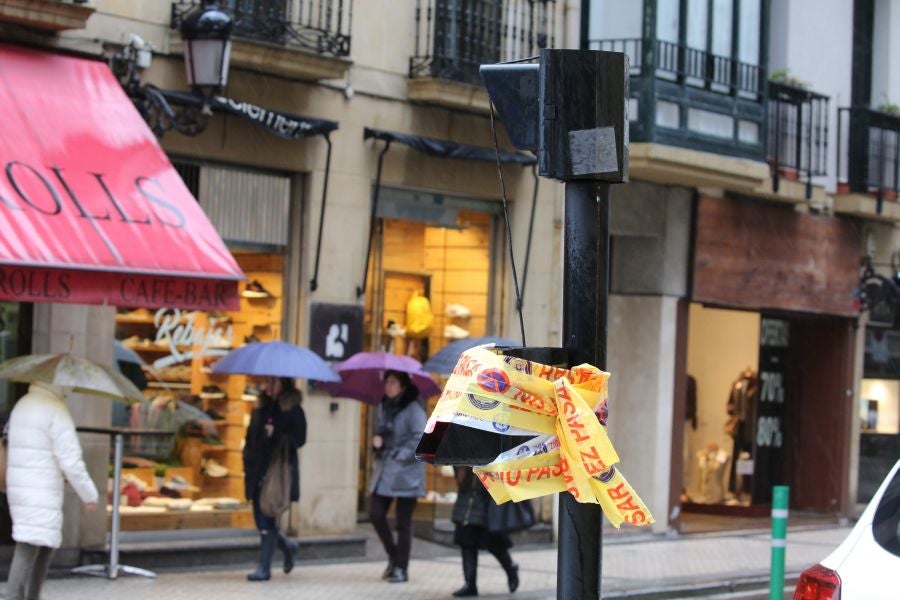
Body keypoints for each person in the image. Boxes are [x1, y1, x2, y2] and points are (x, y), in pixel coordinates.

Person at [5, 383, 98, 600]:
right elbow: (71, 460)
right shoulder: (55, 408)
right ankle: (12, 596)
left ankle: (30, 597)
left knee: (41, 544)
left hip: (20, 485)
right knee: (29, 545)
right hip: (41, 487)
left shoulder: (23, 404)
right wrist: (89, 493)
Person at [243, 377, 307, 582]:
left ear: (283, 385)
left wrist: (277, 434)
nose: (268, 386)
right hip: (256, 468)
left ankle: (264, 567)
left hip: (277, 470)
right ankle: (288, 546)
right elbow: (250, 437)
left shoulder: (293, 410)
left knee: (267, 517)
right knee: (259, 518)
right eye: (268, 382)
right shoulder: (261, 407)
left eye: (274, 383)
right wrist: (246, 457)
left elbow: (300, 439)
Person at [369, 370, 426, 584]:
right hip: (386, 469)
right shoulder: (384, 406)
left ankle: (402, 568)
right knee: (375, 513)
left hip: (406, 471)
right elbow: (384, 432)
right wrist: (378, 440)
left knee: (404, 522)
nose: (388, 386)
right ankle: (394, 556)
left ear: (402, 385)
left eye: (393, 382)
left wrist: (397, 454)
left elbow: (420, 438)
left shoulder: (414, 408)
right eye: (387, 382)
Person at [450, 466, 520, 597]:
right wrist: (460, 469)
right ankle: (470, 584)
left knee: (494, 542)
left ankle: (510, 568)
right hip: (466, 500)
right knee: (467, 542)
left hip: (489, 501)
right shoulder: (462, 453)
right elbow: (460, 479)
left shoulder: (491, 447)